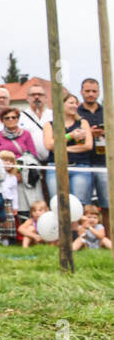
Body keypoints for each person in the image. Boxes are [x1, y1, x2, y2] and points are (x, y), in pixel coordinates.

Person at [43, 93, 93, 205]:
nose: (75, 106)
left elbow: (88, 145)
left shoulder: (83, 123)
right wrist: (70, 136)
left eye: (76, 103)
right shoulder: (49, 125)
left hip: (80, 166)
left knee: (80, 203)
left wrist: (62, 148)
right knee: (58, 202)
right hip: (55, 167)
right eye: (71, 103)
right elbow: (49, 145)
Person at [0, 106, 43, 212]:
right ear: (2, 120)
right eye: (7, 118)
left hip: (23, 175)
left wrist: (18, 170)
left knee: (26, 206)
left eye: (14, 117)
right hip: (4, 176)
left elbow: (32, 154)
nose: (11, 120)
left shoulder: (26, 134)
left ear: (18, 119)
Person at [76, 77, 108, 234]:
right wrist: (88, 133)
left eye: (94, 91)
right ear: (81, 92)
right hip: (83, 161)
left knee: (107, 201)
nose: (90, 94)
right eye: (87, 91)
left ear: (99, 92)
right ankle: (84, 237)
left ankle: (108, 236)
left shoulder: (107, 111)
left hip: (104, 161)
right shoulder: (76, 112)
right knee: (83, 203)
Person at [18, 82, 53, 175]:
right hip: (30, 163)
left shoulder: (53, 115)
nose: (37, 97)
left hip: (52, 162)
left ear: (46, 98)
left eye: (40, 94)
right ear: (27, 98)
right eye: (33, 95)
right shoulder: (20, 116)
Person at [0, 149, 19, 244]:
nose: (8, 163)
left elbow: (15, 192)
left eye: (11, 161)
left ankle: (6, 239)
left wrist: (15, 207)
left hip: (8, 202)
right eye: (5, 160)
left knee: (7, 222)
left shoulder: (13, 177)